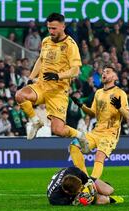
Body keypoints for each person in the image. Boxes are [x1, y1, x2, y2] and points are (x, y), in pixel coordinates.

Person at [14, 13, 86, 143]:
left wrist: (58, 75)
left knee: (58, 130)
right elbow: (41, 60)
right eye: (49, 28)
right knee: (20, 95)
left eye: (54, 28)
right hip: (42, 85)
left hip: (58, 92)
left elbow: (76, 70)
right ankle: (36, 122)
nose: (51, 31)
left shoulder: (70, 45)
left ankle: (80, 135)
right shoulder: (46, 41)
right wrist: (31, 77)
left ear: (63, 26)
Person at [69, 66, 129, 179]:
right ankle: (85, 178)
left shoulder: (120, 93)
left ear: (114, 76)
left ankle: (92, 182)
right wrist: (80, 105)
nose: (104, 74)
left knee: (99, 155)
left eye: (107, 72)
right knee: (74, 146)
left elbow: (127, 116)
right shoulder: (98, 93)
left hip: (110, 133)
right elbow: (93, 113)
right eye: (103, 72)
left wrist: (119, 107)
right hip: (96, 132)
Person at [47, 166, 123, 206]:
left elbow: (88, 181)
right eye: (79, 190)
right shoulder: (56, 199)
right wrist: (88, 198)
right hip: (67, 193)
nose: (81, 190)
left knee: (109, 190)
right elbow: (74, 203)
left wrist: (91, 188)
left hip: (78, 180)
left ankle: (104, 188)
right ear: (67, 191)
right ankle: (110, 199)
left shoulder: (74, 171)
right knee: (100, 199)